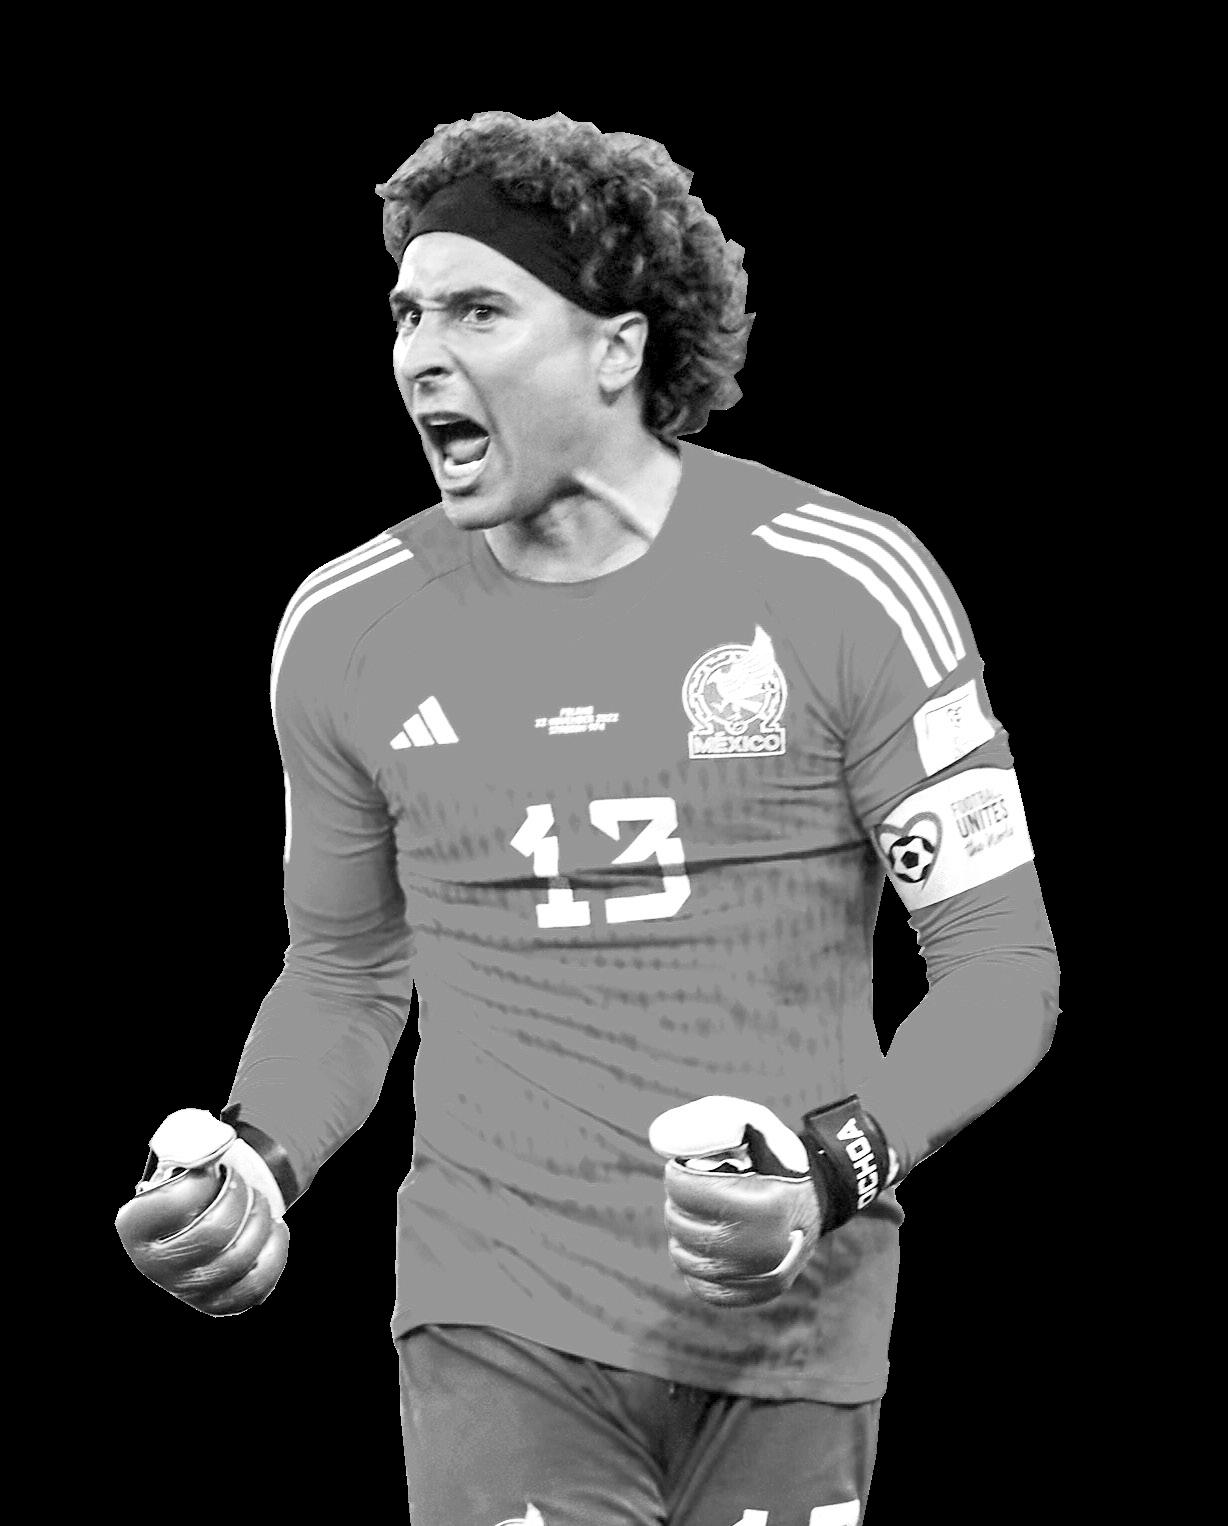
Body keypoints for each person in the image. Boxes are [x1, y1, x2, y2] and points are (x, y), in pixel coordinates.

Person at [116, 112, 1060, 1525]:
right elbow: (347, 972)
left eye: (478, 310)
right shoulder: (347, 629)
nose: (418, 354)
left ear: (618, 349)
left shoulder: (846, 584)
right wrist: (259, 1154)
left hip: (796, 1328)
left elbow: (1001, 969)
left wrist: (832, 1167)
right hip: (496, 1315)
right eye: (407, 314)